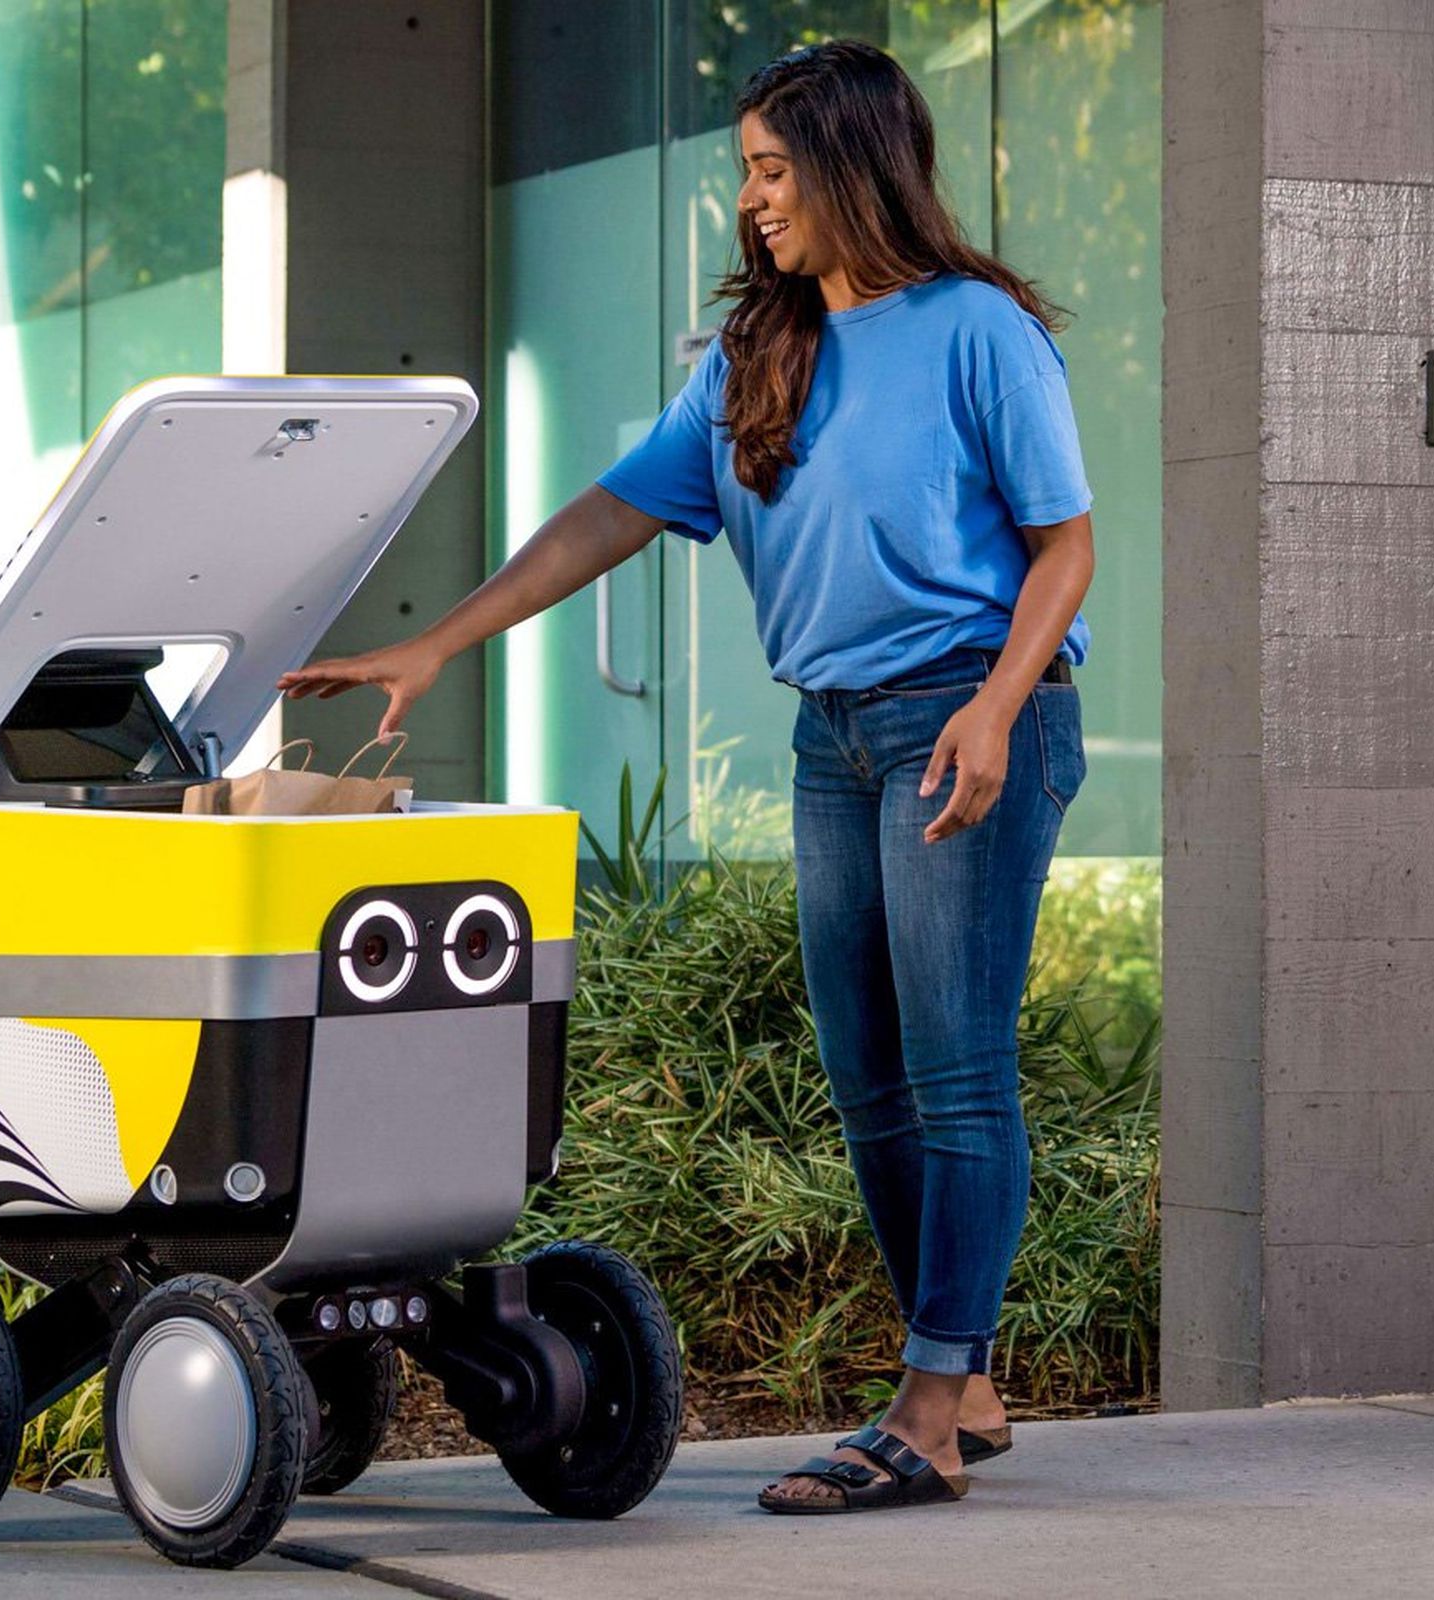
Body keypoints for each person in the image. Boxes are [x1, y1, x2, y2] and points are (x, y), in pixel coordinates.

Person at [277, 39, 1094, 1517]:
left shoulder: (979, 331)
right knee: (867, 1076)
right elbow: (610, 515)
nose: (753, 203)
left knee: (957, 1063)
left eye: (775, 173)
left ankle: (927, 1395)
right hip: (835, 737)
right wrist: (436, 646)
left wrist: (997, 705)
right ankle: (960, 1376)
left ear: (854, 167)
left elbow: (1065, 547)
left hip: (968, 720)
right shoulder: (755, 358)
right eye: (748, 177)